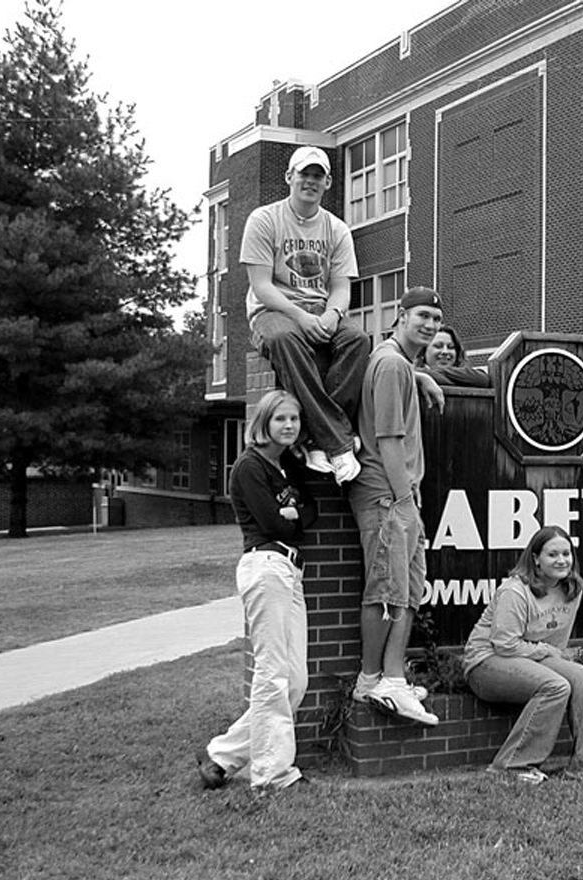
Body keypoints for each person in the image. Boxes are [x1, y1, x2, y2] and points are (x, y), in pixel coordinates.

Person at [198, 390, 317, 791]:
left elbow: (309, 514)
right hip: (265, 567)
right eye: (281, 419)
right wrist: (291, 516)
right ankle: (273, 774)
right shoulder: (249, 466)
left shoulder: (286, 466)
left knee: (295, 680)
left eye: (294, 420)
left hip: (289, 571)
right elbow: (274, 524)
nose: (289, 426)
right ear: (263, 422)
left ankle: (222, 756)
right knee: (272, 675)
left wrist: (294, 514)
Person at [241, 145, 370, 486]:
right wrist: (300, 316)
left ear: (327, 183)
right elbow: (261, 285)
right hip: (273, 310)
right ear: (289, 178)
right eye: (304, 174)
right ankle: (339, 444)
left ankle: (313, 439)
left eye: (317, 176)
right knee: (285, 338)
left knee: (358, 339)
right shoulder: (264, 219)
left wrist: (332, 314)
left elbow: (341, 287)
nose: (310, 181)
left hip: (321, 309)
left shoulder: (337, 229)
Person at [348, 287, 445, 726]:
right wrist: (405, 499)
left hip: (401, 495)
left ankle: (393, 678)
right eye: (422, 315)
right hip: (387, 494)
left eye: (437, 319)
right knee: (387, 591)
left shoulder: (399, 364)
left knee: (406, 590)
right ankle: (370, 680)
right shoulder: (389, 364)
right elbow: (387, 439)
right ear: (400, 316)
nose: (430, 325)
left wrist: (420, 375)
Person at [462, 525, 583, 785]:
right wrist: (547, 652)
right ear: (536, 559)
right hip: (486, 662)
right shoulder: (516, 591)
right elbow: (504, 644)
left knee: (580, 675)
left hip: (529, 658)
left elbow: (556, 644)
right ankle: (512, 767)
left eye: (566, 554)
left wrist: (550, 654)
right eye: (552, 554)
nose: (561, 560)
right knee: (555, 686)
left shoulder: (572, 590)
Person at [416, 323, 490, 388]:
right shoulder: (411, 374)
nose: (445, 351)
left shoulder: (471, 375)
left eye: (450, 347)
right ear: (423, 352)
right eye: (438, 346)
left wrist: (435, 372)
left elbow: (482, 379)